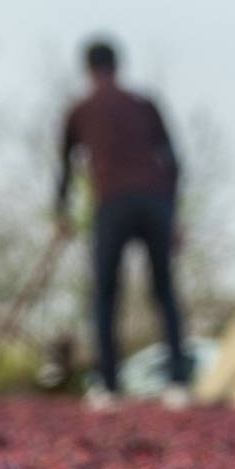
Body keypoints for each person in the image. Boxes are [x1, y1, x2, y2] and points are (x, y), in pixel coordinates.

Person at [57, 38, 190, 409]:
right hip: (155, 201)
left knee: (105, 293)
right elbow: (173, 160)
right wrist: (173, 212)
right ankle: (177, 384)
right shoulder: (144, 103)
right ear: (118, 65)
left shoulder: (80, 109)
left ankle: (108, 386)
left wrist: (62, 212)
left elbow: (65, 167)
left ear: (87, 68)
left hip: (112, 202)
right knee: (163, 290)